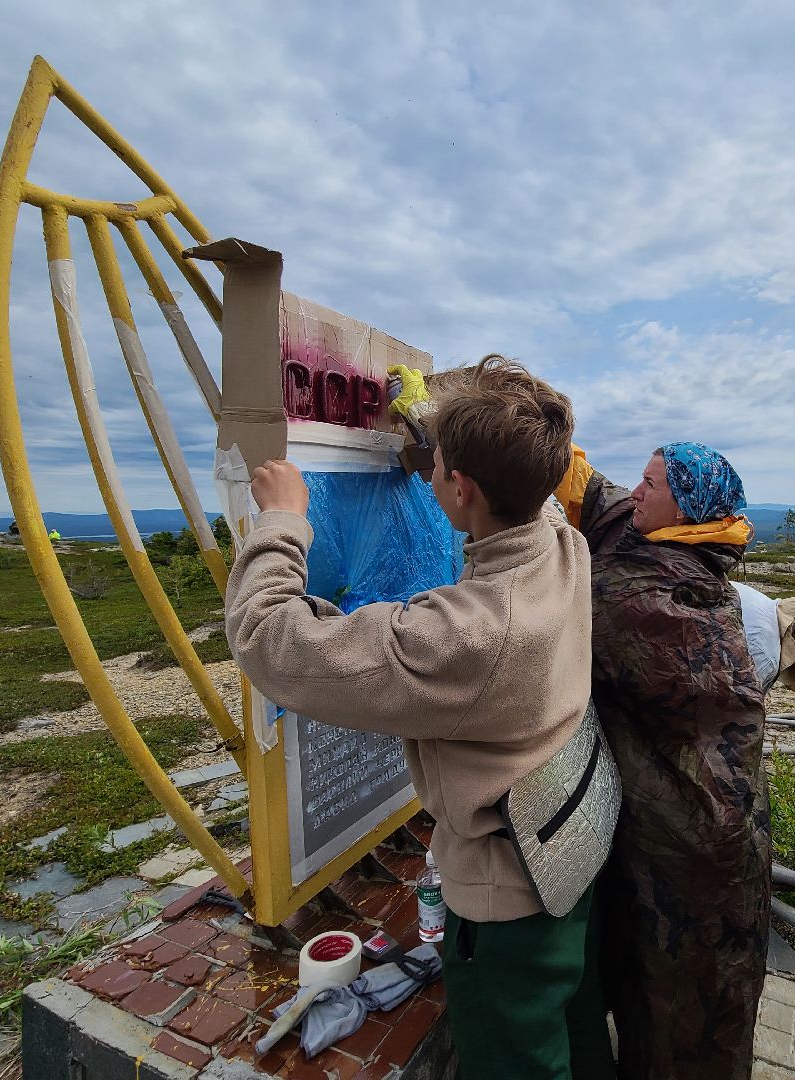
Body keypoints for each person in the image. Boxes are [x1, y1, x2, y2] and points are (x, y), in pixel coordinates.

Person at [225, 357, 614, 1080]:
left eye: (439, 470)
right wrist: (431, 438)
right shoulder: (562, 537)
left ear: (460, 489)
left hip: (508, 903)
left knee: (516, 1059)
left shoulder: (463, 636)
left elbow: (267, 637)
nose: (428, 475)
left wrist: (282, 520)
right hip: (572, 844)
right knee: (578, 1029)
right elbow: (513, 483)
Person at [555, 441, 769, 1080]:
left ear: (687, 509)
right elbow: (591, 487)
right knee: (647, 999)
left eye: (652, 484)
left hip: (699, 853)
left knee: (688, 1027)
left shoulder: (656, 597)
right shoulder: (661, 539)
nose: (637, 492)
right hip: (672, 840)